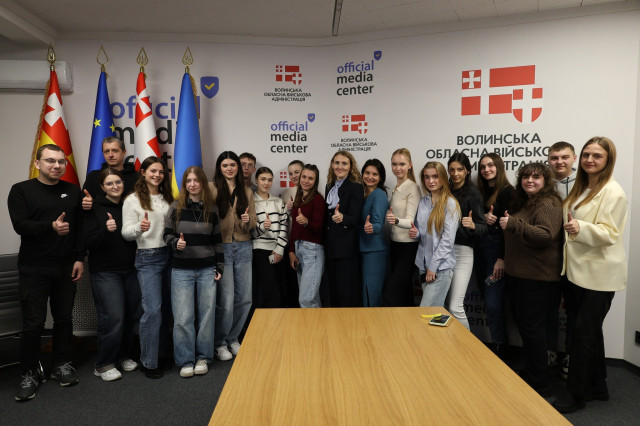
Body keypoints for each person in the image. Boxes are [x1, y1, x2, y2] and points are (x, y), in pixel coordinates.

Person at [553, 137, 628, 413]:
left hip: (599, 275)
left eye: (597, 156)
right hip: (576, 272)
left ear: (608, 160)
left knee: (583, 335)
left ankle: (575, 394)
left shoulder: (614, 192)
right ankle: (599, 386)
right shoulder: (583, 188)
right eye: (586, 154)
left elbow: (610, 233)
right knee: (589, 331)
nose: (589, 160)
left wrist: (580, 228)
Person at [8, 144, 84, 401]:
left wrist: (79, 258)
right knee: (33, 324)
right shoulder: (21, 190)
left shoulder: (72, 191)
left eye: (61, 161)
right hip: (34, 268)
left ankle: (61, 364)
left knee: (64, 319)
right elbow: (20, 225)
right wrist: (50, 226)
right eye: (50, 161)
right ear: (38, 163)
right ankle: (28, 373)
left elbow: (79, 229)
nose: (57, 165)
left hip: (66, 266)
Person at [500, 162, 563, 396]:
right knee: (528, 329)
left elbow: (546, 235)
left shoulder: (549, 203)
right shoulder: (527, 202)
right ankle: (533, 373)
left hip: (538, 279)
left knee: (533, 330)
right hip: (520, 276)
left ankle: (540, 384)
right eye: (526, 177)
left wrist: (514, 224)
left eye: (536, 177)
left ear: (545, 181)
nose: (530, 181)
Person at [163, 166, 224, 378]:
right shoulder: (175, 207)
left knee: (206, 316)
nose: (192, 184)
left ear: (202, 183)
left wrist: (220, 266)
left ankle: (203, 357)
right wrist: (175, 244)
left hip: (207, 269)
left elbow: (218, 241)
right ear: (184, 184)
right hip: (182, 270)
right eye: (188, 181)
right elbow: (166, 235)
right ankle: (185, 360)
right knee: (183, 317)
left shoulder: (212, 209)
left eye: (196, 180)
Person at [84, 168, 141, 382]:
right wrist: (105, 231)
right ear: (102, 187)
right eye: (109, 183)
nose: (115, 186)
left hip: (131, 269)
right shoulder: (93, 207)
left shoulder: (130, 204)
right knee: (113, 317)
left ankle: (123, 355)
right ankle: (104, 363)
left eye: (118, 182)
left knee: (131, 315)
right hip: (105, 272)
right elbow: (86, 242)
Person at [122, 156, 174, 379]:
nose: (157, 175)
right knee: (152, 310)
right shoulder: (132, 200)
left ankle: (161, 354)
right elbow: (125, 233)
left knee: (166, 310)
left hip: (170, 255)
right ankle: (149, 361)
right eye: (153, 171)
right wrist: (139, 228)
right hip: (148, 257)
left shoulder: (167, 197)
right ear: (143, 172)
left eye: (161, 172)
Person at [210, 151, 257, 361]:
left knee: (245, 298)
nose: (229, 168)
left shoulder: (246, 191)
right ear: (219, 168)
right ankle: (220, 342)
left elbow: (253, 222)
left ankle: (233, 338)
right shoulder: (211, 188)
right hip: (223, 249)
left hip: (244, 247)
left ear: (238, 167)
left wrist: (247, 220)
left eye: (233, 165)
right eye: (225, 165)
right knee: (226, 300)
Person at [474, 153, 514, 357]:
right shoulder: (479, 192)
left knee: (493, 303)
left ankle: (500, 348)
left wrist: (502, 258)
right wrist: (483, 217)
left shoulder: (507, 192)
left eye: (490, 165)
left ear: (498, 166)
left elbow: (510, 229)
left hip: (496, 253)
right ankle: (498, 343)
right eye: (482, 167)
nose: (486, 170)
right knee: (488, 301)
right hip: (480, 251)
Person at [409, 161, 460, 307]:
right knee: (434, 315)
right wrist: (415, 233)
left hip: (439, 269)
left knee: (426, 312)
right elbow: (422, 234)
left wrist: (433, 266)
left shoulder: (450, 203)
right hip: (423, 267)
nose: (431, 181)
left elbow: (447, 241)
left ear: (443, 177)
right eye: (427, 177)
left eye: (435, 176)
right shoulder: (423, 202)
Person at [547, 141, 578, 375]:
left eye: (564, 157)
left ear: (573, 158)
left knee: (574, 309)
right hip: (548, 256)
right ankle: (549, 351)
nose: (559, 162)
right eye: (555, 157)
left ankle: (570, 355)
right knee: (548, 307)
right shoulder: (543, 182)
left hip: (576, 256)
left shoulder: (584, 183)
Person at [446, 153, 486, 329]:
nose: (456, 174)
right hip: (443, 252)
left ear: (467, 171)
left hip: (462, 253)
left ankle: (467, 345)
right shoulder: (444, 190)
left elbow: (483, 227)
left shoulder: (473, 193)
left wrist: (473, 225)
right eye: (452, 170)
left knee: (455, 306)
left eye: (460, 169)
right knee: (443, 305)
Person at [324, 151, 364, 307]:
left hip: (346, 249)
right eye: (337, 163)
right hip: (331, 247)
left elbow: (355, 217)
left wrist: (343, 218)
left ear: (350, 166)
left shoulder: (356, 187)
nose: (340, 167)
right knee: (333, 291)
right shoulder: (329, 186)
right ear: (332, 165)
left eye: (344, 163)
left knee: (345, 293)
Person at [384, 148, 421, 306]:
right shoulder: (395, 188)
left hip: (408, 248)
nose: (397, 168)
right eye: (394, 164)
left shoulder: (412, 187)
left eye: (402, 164)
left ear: (410, 165)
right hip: (395, 245)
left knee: (392, 294)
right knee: (404, 294)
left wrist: (396, 220)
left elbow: (411, 221)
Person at [289, 164, 325, 308]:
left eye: (310, 178)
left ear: (315, 181)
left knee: (306, 300)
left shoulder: (317, 199)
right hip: (299, 249)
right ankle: (316, 323)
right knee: (310, 299)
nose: (306, 180)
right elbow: (294, 228)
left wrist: (307, 222)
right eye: (304, 176)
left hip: (312, 251)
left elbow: (320, 228)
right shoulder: (298, 198)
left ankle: (314, 324)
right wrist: (291, 251)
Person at [252, 167, 288, 308]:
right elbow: (250, 232)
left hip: (277, 251)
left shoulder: (278, 201)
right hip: (260, 251)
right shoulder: (251, 202)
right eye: (263, 179)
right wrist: (262, 227)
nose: (266, 183)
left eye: (269, 180)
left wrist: (279, 249)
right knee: (270, 292)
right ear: (256, 180)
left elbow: (284, 225)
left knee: (282, 289)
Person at [360, 159, 389, 307]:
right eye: (367, 173)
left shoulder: (379, 195)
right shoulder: (362, 192)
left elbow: (378, 223)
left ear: (380, 177)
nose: (370, 177)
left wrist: (372, 227)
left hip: (374, 251)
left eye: (375, 174)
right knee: (365, 293)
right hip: (364, 248)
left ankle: (373, 322)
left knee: (371, 293)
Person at [83, 136, 139, 209]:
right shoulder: (93, 177)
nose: (110, 155)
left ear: (124, 152)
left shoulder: (136, 177)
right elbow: (83, 203)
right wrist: (87, 203)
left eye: (115, 151)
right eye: (106, 151)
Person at [280, 159, 304, 307]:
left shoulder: (314, 193)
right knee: (292, 285)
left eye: (297, 172)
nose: (294, 176)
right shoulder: (286, 193)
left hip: (306, 244)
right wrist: (287, 209)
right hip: (289, 245)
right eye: (291, 173)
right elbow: (282, 220)